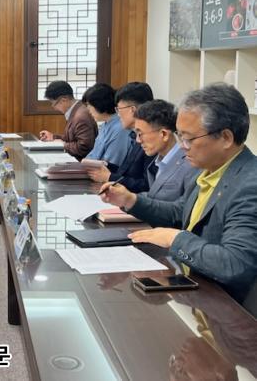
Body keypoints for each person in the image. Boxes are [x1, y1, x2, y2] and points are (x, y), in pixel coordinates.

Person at [101, 83, 257, 303]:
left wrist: (176, 239)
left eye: (188, 139)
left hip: (229, 308)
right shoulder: (207, 169)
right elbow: (179, 212)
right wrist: (131, 200)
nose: (182, 146)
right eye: (179, 135)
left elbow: (234, 264)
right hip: (196, 289)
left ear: (225, 138)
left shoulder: (250, 184)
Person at [87, 81, 154, 192]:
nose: (118, 115)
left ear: (132, 110)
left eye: (119, 109)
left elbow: (147, 186)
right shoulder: (136, 134)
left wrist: (109, 177)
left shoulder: (150, 138)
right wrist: (105, 166)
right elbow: (126, 171)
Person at [133, 99, 199, 201]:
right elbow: (153, 196)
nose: (138, 140)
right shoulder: (157, 161)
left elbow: (182, 208)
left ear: (164, 134)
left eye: (140, 134)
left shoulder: (190, 164)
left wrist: (132, 200)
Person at [39, 80, 97, 161]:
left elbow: (84, 148)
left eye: (54, 104)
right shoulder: (76, 110)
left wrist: (63, 145)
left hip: (81, 163)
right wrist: (53, 137)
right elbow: (72, 139)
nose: (54, 108)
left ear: (64, 100)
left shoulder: (81, 116)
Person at [82, 83, 132, 172]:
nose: (88, 110)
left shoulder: (120, 129)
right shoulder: (105, 124)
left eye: (89, 105)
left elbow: (112, 164)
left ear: (99, 104)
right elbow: (92, 155)